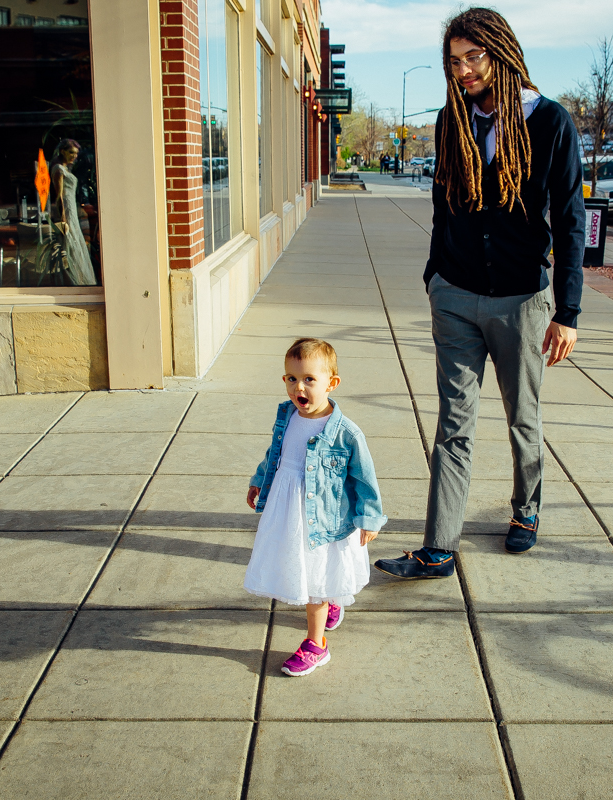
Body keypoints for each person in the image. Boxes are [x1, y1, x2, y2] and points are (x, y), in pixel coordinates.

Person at [375, 7, 583, 579]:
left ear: (501, 52)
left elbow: (569, 220)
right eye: (454, 61)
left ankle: (526, 512)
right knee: (453, 423)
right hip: (457, 294)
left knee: (523, 418)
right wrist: (435, 275)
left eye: (473, 57)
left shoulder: (550, 123)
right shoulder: (452, 120)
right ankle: (439, 545)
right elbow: (444, 203)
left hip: (522, 301)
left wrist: (567, 311)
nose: (463, 70)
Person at [244, 338, 387, 677]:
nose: (299, 387)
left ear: (331, 383)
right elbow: (275, 455)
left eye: (309, 379)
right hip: (289, 512)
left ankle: (316, 644)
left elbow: (365, 478)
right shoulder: (287, 417)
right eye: (292, 379)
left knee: (315, 581)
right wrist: (258, 479)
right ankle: (329, 604)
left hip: (324, 518)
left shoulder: (345, 433)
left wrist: (369, 517)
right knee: (310, 573)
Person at [49, 138, 98, 286]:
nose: (74, 156)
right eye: (71, 152)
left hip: (72, 209)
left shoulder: (65, 169)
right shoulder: (58, 169)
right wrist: (63, 218)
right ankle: (76, 279)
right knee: (71, 241)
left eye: (76, 153)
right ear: (62, 151)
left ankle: (82, 278)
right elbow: (59, 197)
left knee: (77, 240)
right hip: (67, 210)